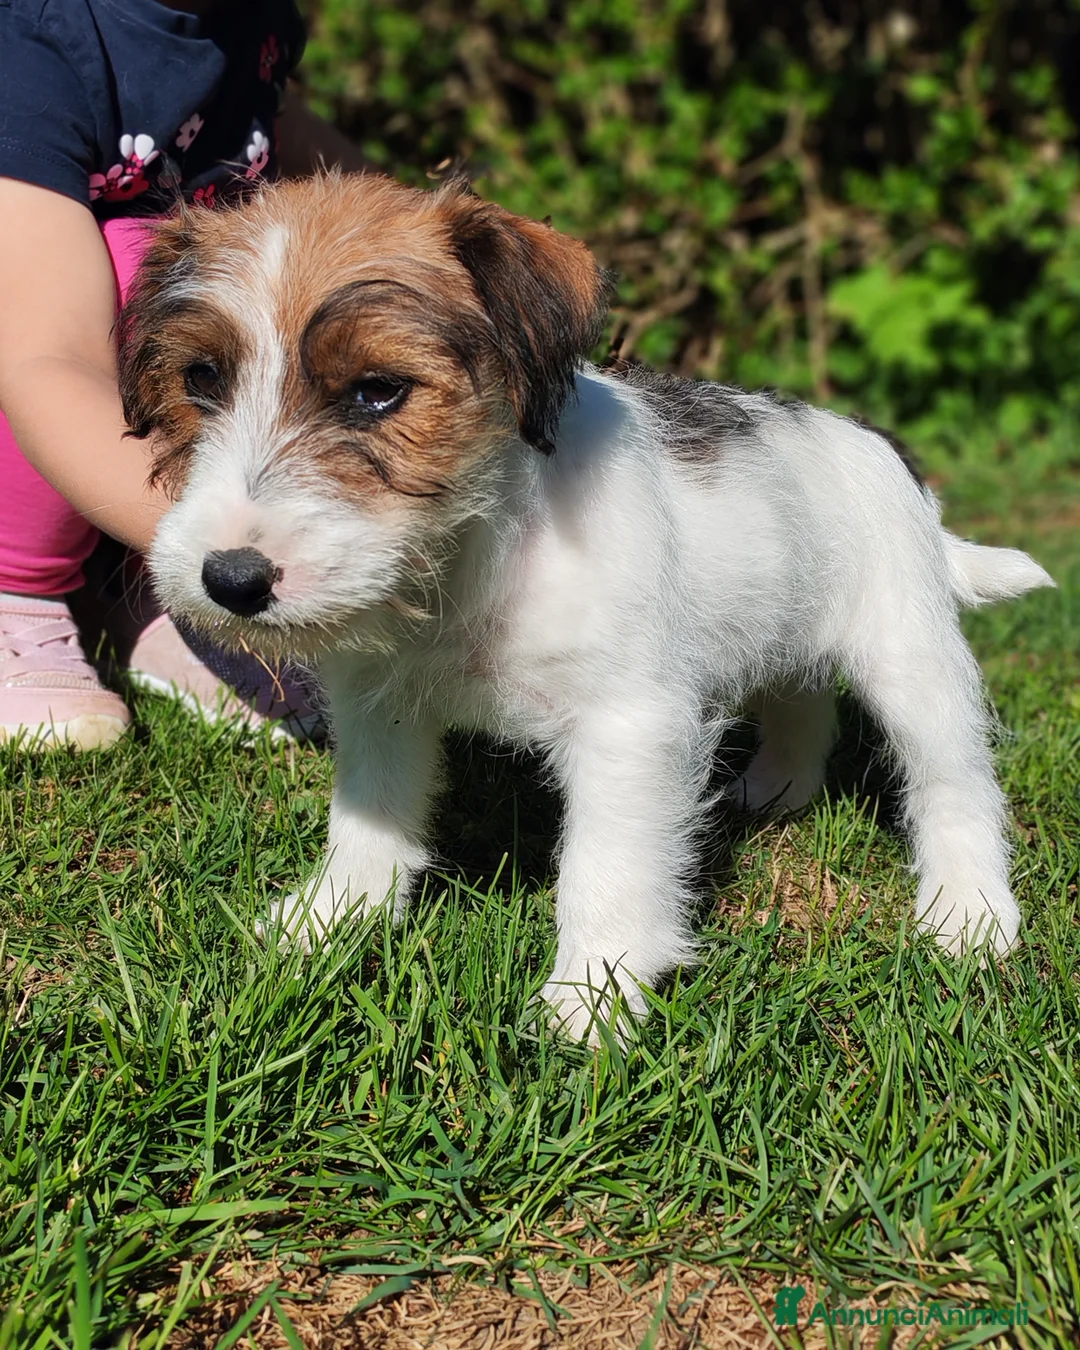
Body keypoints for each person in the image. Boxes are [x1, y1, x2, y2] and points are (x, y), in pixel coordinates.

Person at [0, 0, 368, 750]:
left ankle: (129, 587)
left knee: (225, 282)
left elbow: (267, 126)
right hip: (37, 333)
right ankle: (18, 594)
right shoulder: (35, 42)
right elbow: (47, 357)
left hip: (111, 406)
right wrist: (217, 547)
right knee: (150, 267)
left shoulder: (248, 18)